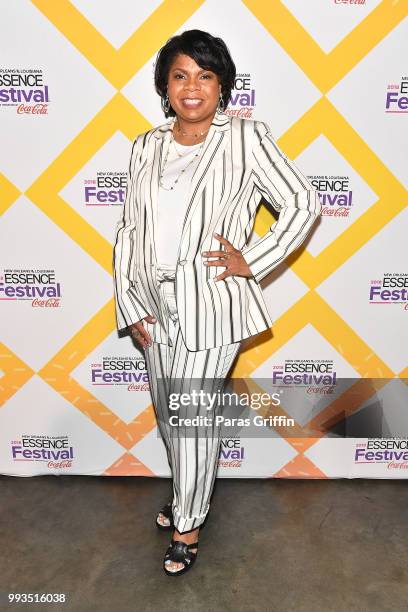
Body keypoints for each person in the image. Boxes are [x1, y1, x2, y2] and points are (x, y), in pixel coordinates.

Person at [113, 29, 321, 576]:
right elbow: (130, 231)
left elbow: (302, 201)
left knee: (191, 418)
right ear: (165, 85)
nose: (193, 86)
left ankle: (188, 523)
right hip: (153, 305)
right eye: (181, 75)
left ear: (222, 86)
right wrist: (129, 301)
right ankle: (188, 491)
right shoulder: (146, 146)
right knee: (167, 409)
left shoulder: (247, 138)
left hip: (213, 305)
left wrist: (253, 258)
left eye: (205, 75)